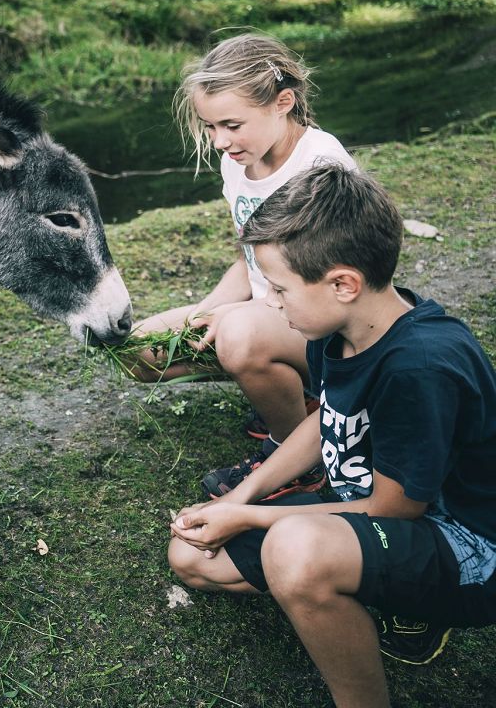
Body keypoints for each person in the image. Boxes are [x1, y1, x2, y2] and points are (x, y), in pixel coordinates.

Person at [167, 163, 496, 707]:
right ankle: (355, 584)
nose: (269, 302)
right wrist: (240, 496)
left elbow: (394, 511)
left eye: (278, 289)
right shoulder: (335, 325)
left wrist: (251, 518)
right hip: (369, 506)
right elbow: (327, 419)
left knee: (294, 551)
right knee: (192, 558)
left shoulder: (421, 367)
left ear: (343, 283)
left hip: (466, 547)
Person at [131, 32, 357, 500]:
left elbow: (338, 289)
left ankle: (298, 455)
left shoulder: (322, 168)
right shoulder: (241, 160)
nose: (219, 142)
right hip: (273, 318)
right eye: (211, 127)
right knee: (142, 352)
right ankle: (293, 393)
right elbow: (247, 256)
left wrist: (241, 319)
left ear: (283, 102)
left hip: (330, 332)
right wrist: (208, 309)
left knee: (239, 336)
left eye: (231, 125)